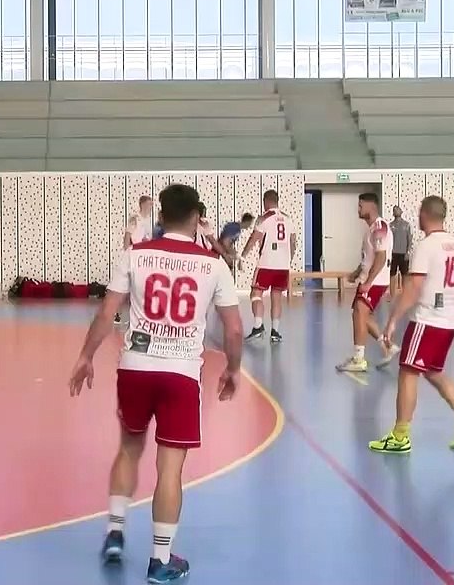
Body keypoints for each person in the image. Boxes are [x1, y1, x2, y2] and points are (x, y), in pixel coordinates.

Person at [69, 183, 243, 585]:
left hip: (135, 367)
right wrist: (233, 369)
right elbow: (233, 330)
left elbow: (107, 312)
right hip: (181, 373)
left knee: (129, 448)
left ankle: (115, 532)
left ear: (161, 216)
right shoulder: (213, 264)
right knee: (170, 468)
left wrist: (85, 357)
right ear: (198, 218)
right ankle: (159, 561)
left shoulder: (134, 255)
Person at [370, 196, 454, 454]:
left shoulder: (426, 246)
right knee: (432, 371)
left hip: (427, 320)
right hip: (448, 321)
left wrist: (392, 321)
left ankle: (400, 436)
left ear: (423, 215)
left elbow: (413, 287)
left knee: (408, 372)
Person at [337, 193, 394, 373]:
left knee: (360, 313)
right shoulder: (370, 230)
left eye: (361, 206)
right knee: (362, 315)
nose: (358, 209)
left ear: (371, 206)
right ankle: (388, 345)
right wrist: (356, 274)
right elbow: (368, 259)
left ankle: (359, 359)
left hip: (375, 281)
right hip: (369, 278)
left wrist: (369, 282)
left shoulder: (380, 227)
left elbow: (381, 256)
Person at [240, 190, 295, 343]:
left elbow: (253, 239)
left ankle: (258, 326)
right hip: (283, 266)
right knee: (276, 298)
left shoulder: (263, 218)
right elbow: (293, 243)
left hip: (266, 264)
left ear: (266, 201)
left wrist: (242, 256)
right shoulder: (288, 218)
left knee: (255, 294)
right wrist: (287, 260)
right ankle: (275, 332)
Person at [116, 196, 155, 324]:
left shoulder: (149, 220)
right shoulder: (135, 218)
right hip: (134, 253)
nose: (151, 207)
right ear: (142, 204)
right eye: (149, 204)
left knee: (140, 287)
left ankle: (139, 316)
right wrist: (127, 252)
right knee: (126, 287)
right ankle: (117, 314)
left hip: (144, 254)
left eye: (151, 205)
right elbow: (127, 235)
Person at [388, 205, 412, 293]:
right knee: (392, 274)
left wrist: (407, 252)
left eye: (398, 209)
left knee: (405, 275)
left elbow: (409, 239)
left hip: (403, 254)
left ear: (401, 212)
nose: (396, 211)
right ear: (393, 213)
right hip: (393, 253)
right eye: (394, 210)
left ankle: (405, 294)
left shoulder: (407, 225)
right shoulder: (390, 226)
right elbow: (388, 241)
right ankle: (392, 295)